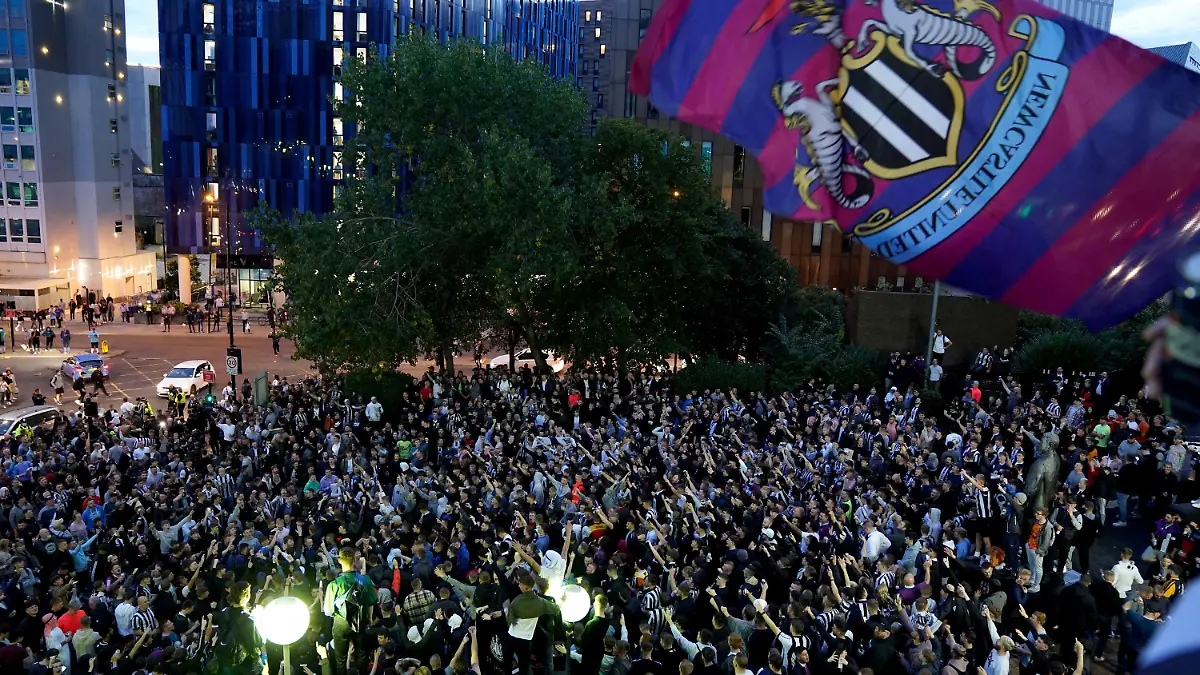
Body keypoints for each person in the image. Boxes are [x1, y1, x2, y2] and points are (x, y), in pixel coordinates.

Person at [323, 548, 378, 674]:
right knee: (362, 655)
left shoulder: (334, 584)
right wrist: (369, 618)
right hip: (360, 620)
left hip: (341, 623)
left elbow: (328, 611)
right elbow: (371, 602)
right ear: (354, 560)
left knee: (341, 660)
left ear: (339, 561)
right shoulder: (365, 580)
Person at [210, 580, 267, 675]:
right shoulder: (248, 620)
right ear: (247, 596)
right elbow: (257, 642)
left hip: (227, 660)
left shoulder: (224, 612)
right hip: (246, 663)